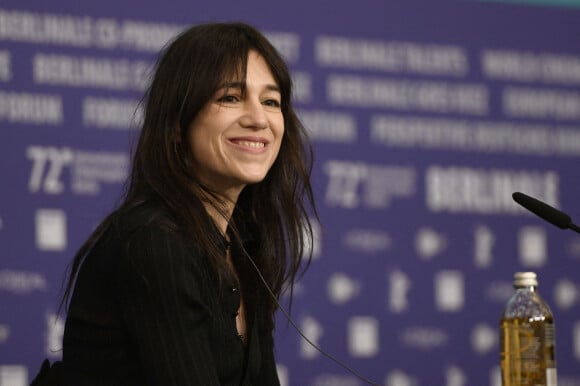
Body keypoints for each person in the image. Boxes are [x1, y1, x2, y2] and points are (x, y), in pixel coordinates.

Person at [56, 21, 316, 386]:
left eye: (271, 101)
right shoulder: (154, 243)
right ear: (178, 122)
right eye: (230, 97)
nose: (259, 119)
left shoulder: (245, 248)